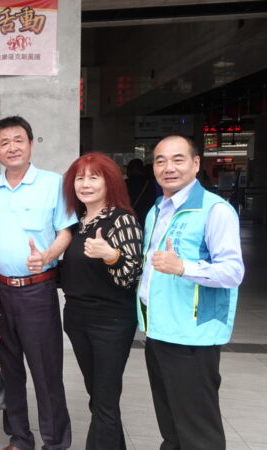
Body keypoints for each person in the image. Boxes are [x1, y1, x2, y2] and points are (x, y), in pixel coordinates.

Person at [0, 116, 75, 450]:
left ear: (31, 144)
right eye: (4, 142)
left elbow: (65, 231)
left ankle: (55, 443)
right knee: (10, 370)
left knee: (47, 374)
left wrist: (47, 256)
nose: (12, 147)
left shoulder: (53, 183)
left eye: (18, 140)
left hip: (37, 291)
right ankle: (19, 438)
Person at [138, 135, 244, 449]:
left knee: (198, 433)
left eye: (178, 159)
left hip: (192, 337)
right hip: (158, 331)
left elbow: (233, 271)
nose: (168, 167)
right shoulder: (157, 210)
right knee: (171, 427)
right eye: (160, 161)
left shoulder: (215, 210)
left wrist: (183, 267)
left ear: (196, 164)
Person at [61, 153, 143, 450]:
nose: (85, 184)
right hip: (77, 318)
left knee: (105, 400)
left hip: (110, 322)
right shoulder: (79, 222)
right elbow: (77, 272)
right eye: (80, 178)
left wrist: (111, 255)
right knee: (98, 397)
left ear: (110, 182)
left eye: (94, 177)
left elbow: (131, 276)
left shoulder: (122, 220)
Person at [124, 158, 156, 224]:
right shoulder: (151, 184)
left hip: (128, 218)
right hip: (147, 218)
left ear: (130, 169)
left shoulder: (124, 184)